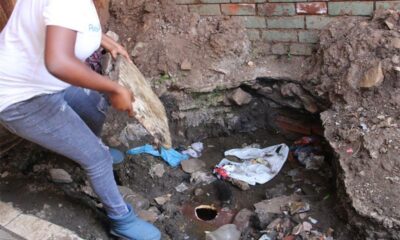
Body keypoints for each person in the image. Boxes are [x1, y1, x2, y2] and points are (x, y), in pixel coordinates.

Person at [0, 0, 161, 239]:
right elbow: (58, 62)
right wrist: (115, 89)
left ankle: (85, 148)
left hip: (45, 83)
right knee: (98, 157)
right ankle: (121, 221)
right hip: (21, 98)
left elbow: (62, 26)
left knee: (93, 106)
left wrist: (105, 40)